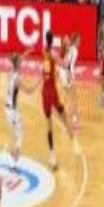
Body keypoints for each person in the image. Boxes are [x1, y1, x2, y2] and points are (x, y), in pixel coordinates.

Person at [36, 32, 74, 170]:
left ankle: (52, 157)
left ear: (46, 40)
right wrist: (68, 49)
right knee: (63, 114)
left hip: (44, 91)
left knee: (49, 125)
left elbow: (49, 67)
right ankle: (72, 138)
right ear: (53, 41)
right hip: (52, 91)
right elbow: (65, 64)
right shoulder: (53, 53)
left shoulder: (44, 51)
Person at [5, 51, 37, 168]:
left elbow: (17, 60)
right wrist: (38, 82)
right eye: (20, 61)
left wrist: (27, 53)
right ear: (17, 63)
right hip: (12, 111)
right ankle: (13, 158)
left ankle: (14, 159)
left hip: (7, 108)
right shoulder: (17, 79)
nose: (22, 62)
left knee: (17, 135)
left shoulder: (11, 73)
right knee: (20, 135)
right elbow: (29, 91)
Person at [58, 34, 80, 128]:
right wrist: (70, 77)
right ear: (75, 41)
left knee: (68, 97)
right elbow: (68, 65)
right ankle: (74, 122)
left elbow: (66, 63)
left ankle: (62, 114)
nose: (79, 42)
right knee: (73, 98)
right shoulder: (74, 50)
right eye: (78, 40)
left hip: (63, 73)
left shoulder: (70, 49)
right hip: (66, 74)